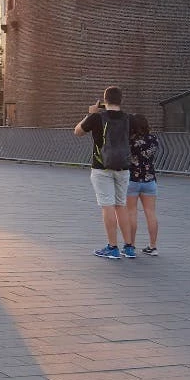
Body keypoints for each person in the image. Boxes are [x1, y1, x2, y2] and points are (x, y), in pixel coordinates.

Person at [74, 86, 136, 259]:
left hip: (102, 167)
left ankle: (112, 247)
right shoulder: (129, 119)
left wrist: (90, 114)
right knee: (121, 205)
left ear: (104, 100)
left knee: (107, 206)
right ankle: (129, 247)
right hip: (123, 167)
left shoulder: (97, 117)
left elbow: (77, 132)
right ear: (121, 100)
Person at [127, 112, 160, 256]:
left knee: (131, 212)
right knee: (150, 213)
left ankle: (130, 246)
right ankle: (153, 246)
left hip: (132, 179)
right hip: (149, 180)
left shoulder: (129, 140)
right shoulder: (153, 139)